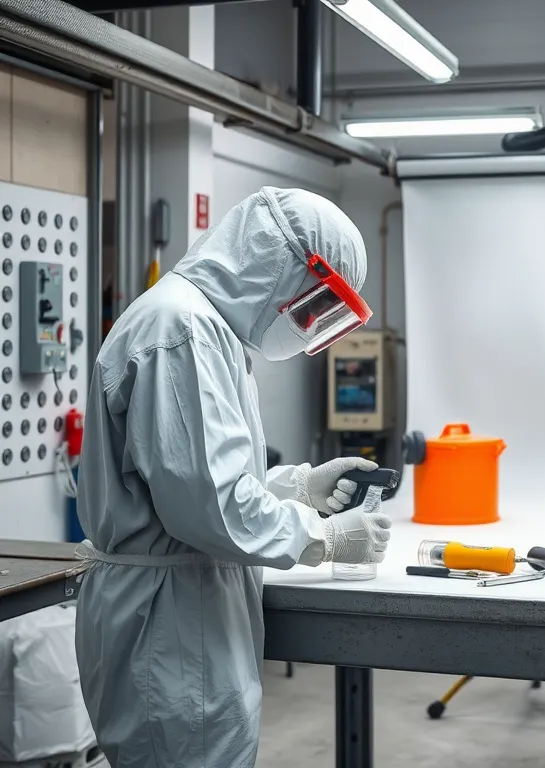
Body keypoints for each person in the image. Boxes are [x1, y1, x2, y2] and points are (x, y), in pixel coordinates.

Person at [74, 187, 393, 767]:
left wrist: (298, 486)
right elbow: (209, 508)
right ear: (283, 264)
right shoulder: (181, 330)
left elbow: (188, 485)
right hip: (171, 631)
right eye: (318, 302)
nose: (311, 320)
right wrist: (322, 536)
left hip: (187, 614)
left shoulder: (209, 330)